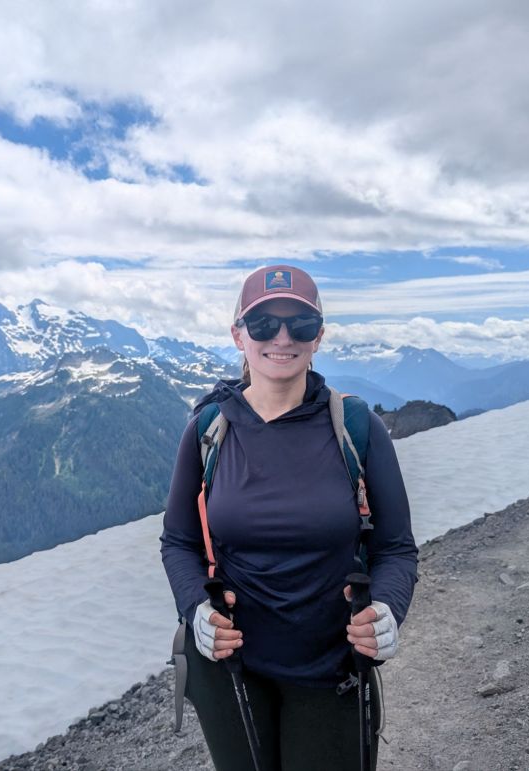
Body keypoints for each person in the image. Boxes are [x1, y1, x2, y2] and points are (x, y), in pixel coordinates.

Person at [160, 264, 418, 770]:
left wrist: (388, 608)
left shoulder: (359, 429)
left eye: (299, 324)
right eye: (263, 325)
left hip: (332, 663)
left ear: (319, 336)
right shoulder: (208, 428)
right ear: (238, 335)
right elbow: (178, 542)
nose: (282, 337)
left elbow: (395, 548)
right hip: (229, 665)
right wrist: (196, 609)